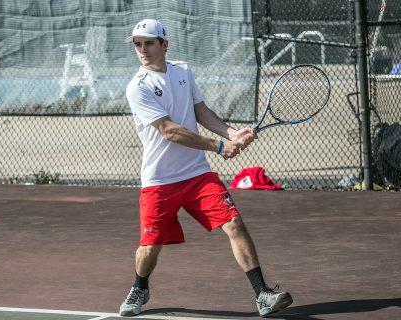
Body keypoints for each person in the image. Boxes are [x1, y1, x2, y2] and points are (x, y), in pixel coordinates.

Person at [120, 18, 293, 318]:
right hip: (159, 180)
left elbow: (200, 110)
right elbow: (169, 130)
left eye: (148, 42)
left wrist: (230, 133)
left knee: (234, 223)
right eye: (138, 44)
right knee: (150, 247)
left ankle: (262, 294)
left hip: (197, 176)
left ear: (164, 44)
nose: (143, 49)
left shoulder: (183, 71)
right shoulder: (138, 88)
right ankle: (140, 286)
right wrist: (217, 146)